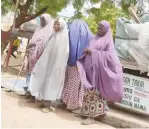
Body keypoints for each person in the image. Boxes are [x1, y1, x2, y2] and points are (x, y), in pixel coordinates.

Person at [77, 20, 123, 125]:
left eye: (101, 28)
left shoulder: (108, 41)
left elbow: (110, 56)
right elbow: (91, 47)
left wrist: (93, 52)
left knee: (94, 93)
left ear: (106, 29)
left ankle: (91, 117)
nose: (98, 29)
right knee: (87, 92)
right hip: (89, 69)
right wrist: (87, 50)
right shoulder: (95, 37)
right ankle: (85, 112)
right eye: (98, 27)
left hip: (97, 73)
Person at [29, 18, 69, 113]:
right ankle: (44, 102)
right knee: (43, 80)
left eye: (57, 24)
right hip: (47, 63)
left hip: (56, 66)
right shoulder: (53, 35)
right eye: (54, 24)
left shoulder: (63, 37)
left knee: (51, 84)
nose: (55, 26)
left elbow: (64, 53)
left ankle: (48, 105)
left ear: (62, 25)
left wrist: (57, 66)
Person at [61, 19, 93, 113]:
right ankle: (72, 104)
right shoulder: (89, 35)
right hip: (82, 64)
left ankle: (69, 103)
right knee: (76, 84)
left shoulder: (69, 33)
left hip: (70, 63)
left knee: (70, 83)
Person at [23, 13, 53, 100]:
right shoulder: (38, 29)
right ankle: (28, 91)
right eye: (41, 20)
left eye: (43, 20)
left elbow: (45, 44)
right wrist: (30, 46)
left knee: (36, 75)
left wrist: (34, 44)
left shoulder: (49, 31)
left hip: (40, 57)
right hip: (31, 55)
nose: (42, 21)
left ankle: (33, 95)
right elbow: (33, 39)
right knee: (29, 73)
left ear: (47, 21)